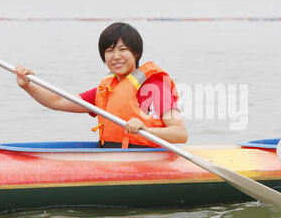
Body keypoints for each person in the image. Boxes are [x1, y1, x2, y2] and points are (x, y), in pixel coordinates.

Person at [15, 22, 188, 148]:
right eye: (109, 51)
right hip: (112, 156)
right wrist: (27, 85)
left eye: (122, 49)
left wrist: (146, 130)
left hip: (146, 158)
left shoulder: (155, 88)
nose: (116, 56)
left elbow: (180, 134)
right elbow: (58, 101)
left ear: (136, 53)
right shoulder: (105, 91)